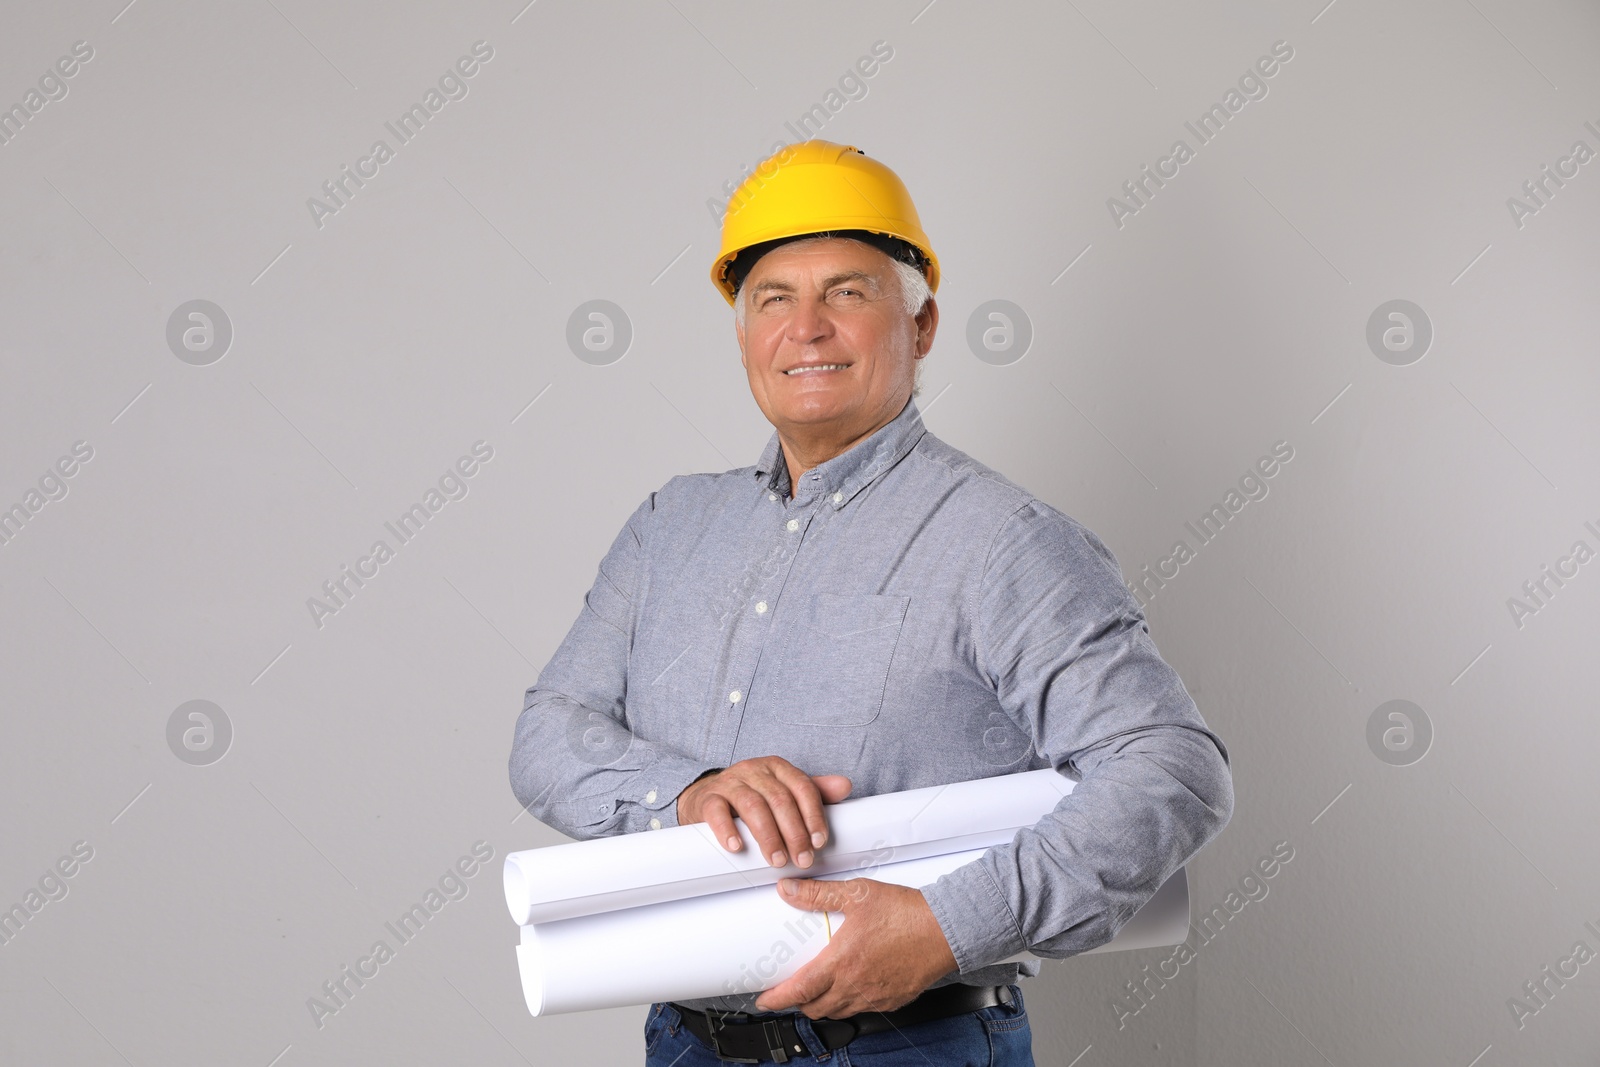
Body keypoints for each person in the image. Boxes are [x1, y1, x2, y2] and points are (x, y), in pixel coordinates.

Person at [509, 140, 1234, 1065]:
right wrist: (686, 792)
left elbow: (1171, 766)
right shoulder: (669, 529)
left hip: (904, 1044)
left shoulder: (1000, 540)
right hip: (687, 1039)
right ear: (743, 336)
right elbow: (547, 732)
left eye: (847, 292)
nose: (806, 327)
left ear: (921, 328)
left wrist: (948, 925)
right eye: (774, 298)